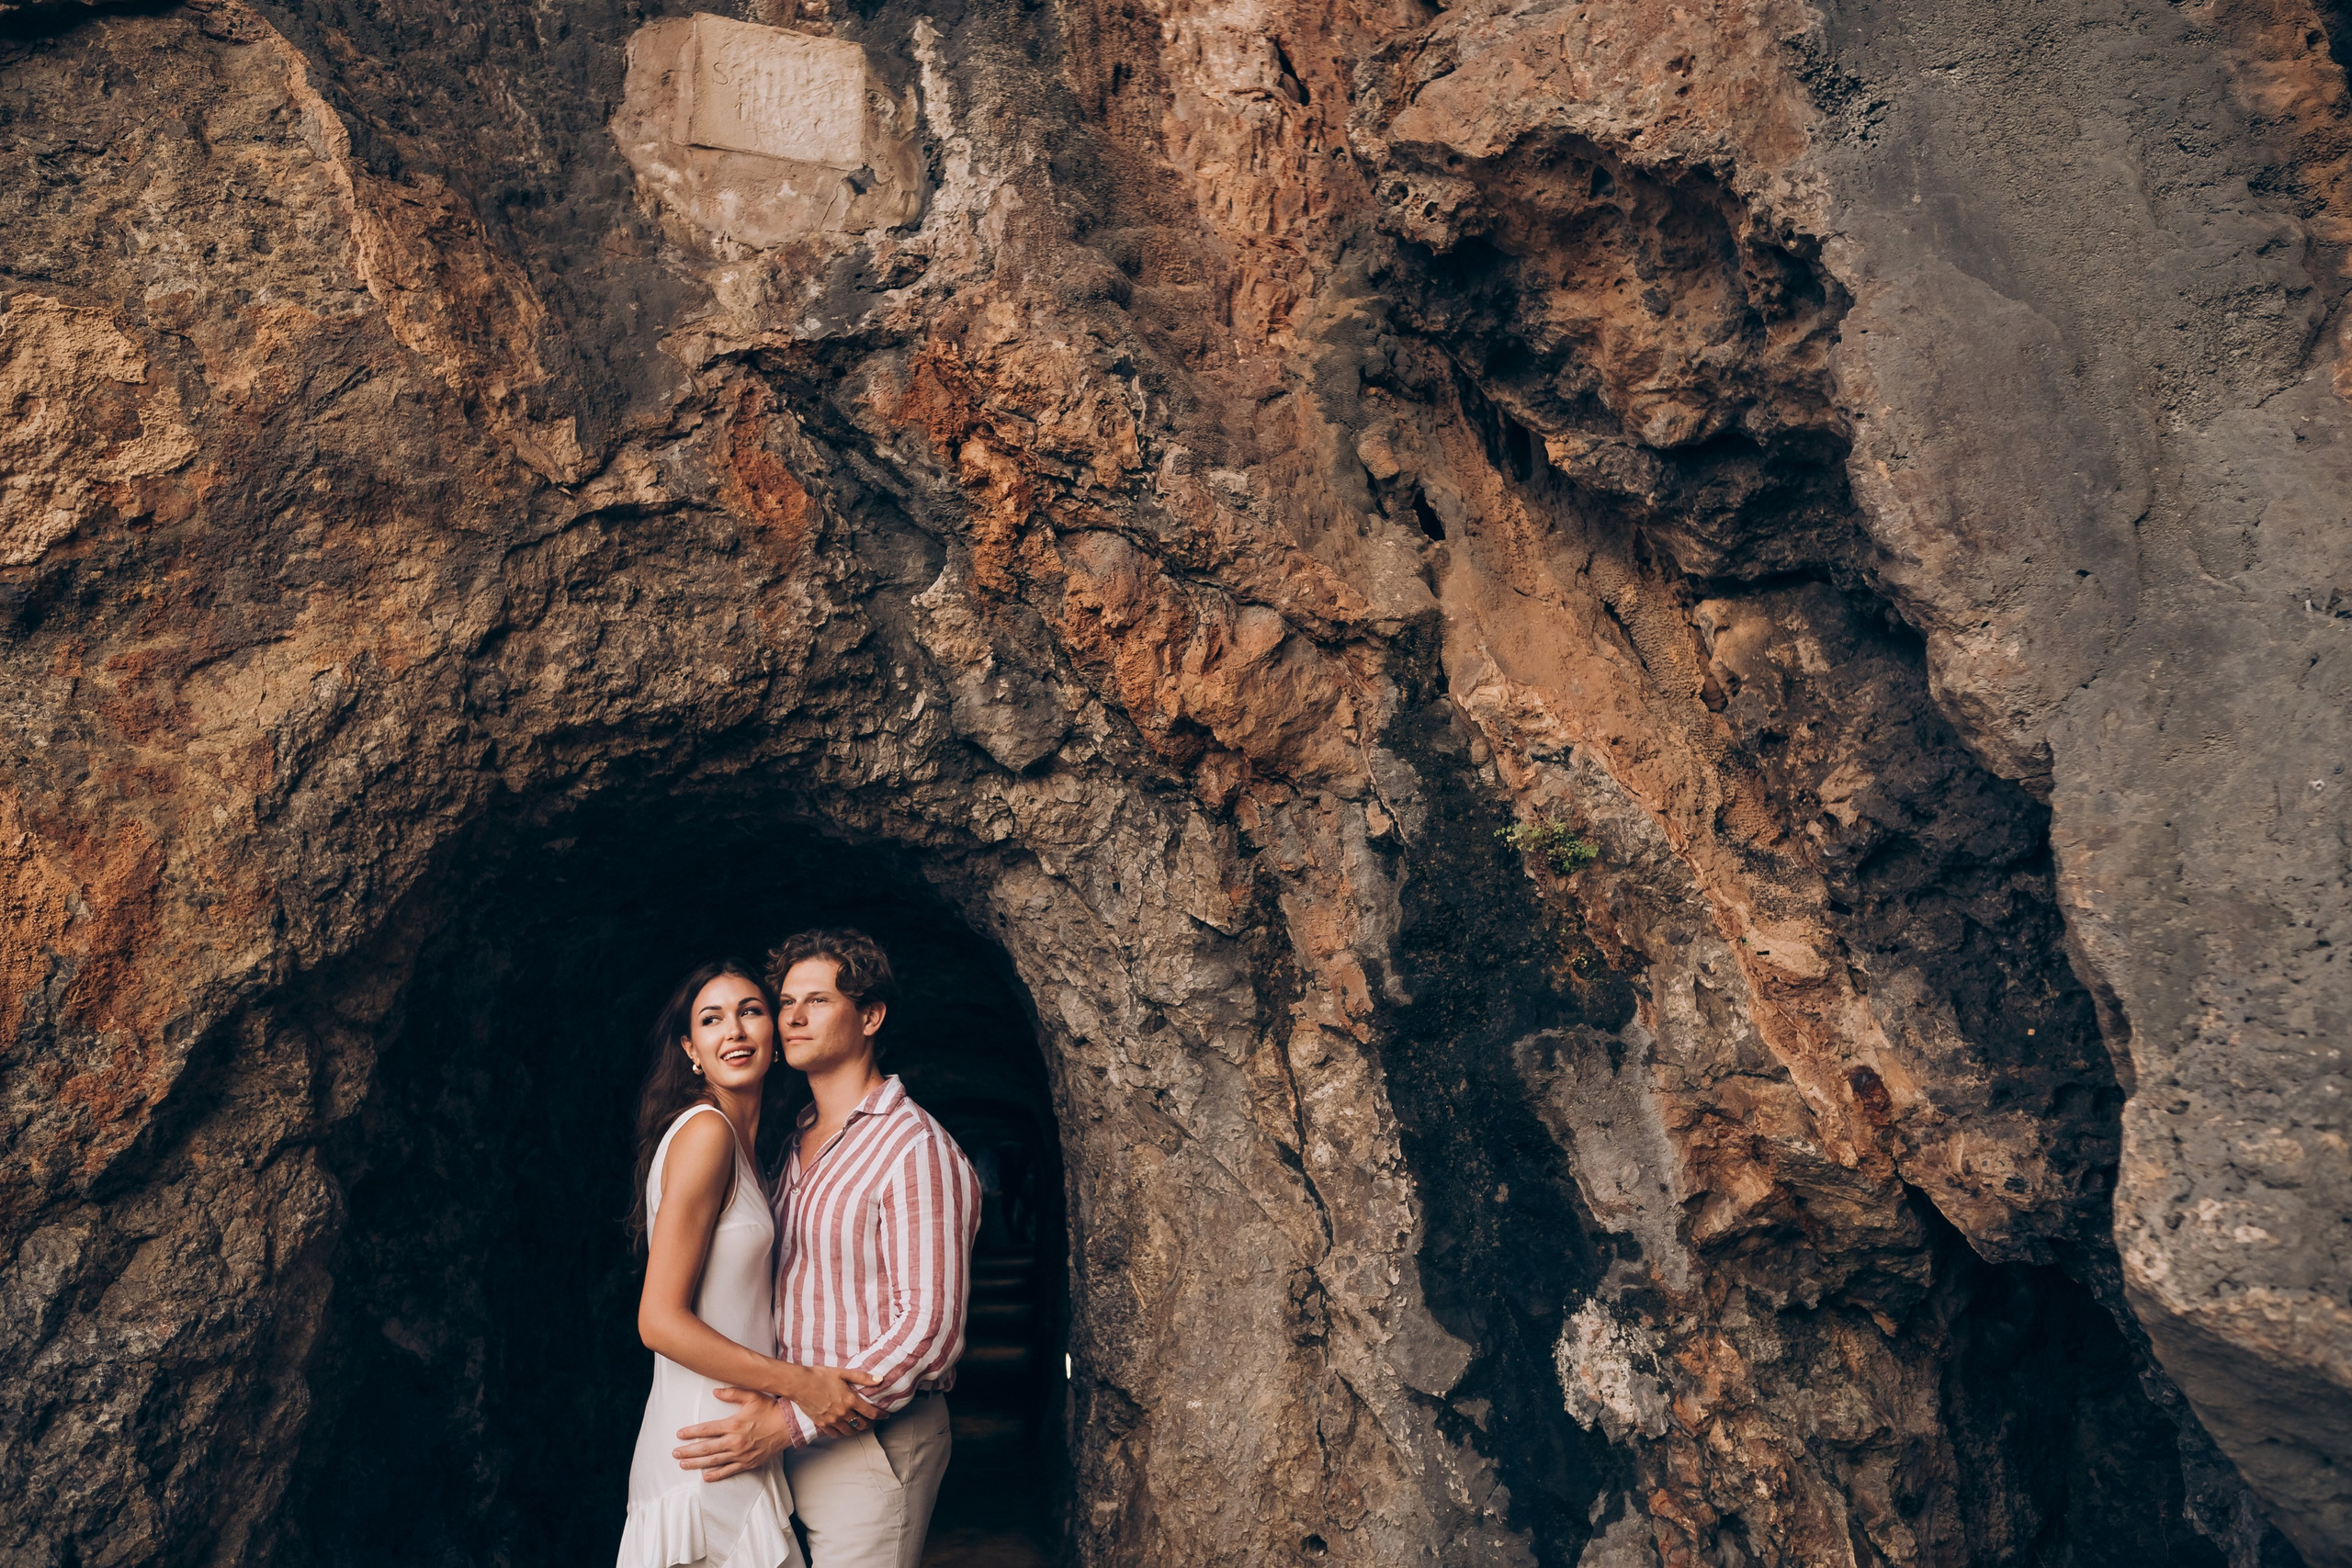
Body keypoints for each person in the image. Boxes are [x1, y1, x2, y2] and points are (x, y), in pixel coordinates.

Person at [671, 931, 981, 1568]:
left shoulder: (913, 1146)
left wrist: (790, 1419)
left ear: (869, 1016)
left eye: (817, 1000)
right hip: (789, 1435)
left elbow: (929, 1332)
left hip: (872, 1441)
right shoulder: (795, 1140)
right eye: (785, 1002)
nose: (793, 1018)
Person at [618, 961, 887, 1568]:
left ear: (775, 1033)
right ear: (691, 1048)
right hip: (704, 1451)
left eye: (750, 1011)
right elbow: (657, 1319)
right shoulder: (705, 1134)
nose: (733, 1031)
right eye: (711, 1019)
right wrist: (801, 1384)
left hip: (735, 1442)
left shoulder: (750, 1148)